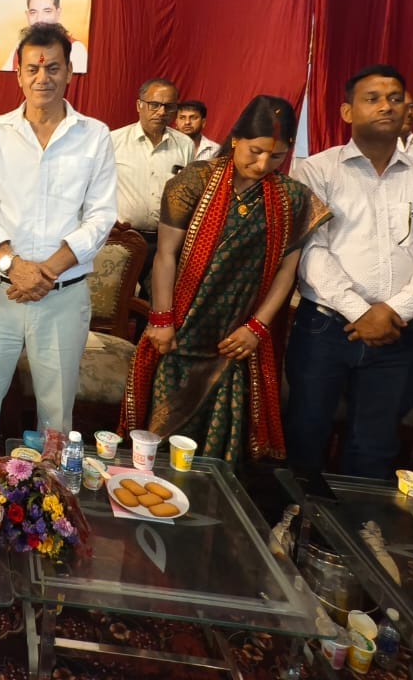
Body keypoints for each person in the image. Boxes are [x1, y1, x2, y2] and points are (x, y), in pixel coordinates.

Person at [121, 96, 329, 463]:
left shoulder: (292, 199)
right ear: (236, 139)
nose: (263, 164)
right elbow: (165, 254)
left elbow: (287, 270)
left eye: (277, 156)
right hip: (181, 327)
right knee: (163, 425)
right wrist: (161, 318)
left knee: (223, 436)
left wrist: (257, 327)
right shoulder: (195, 181)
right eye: (255, 151)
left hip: (237, 337)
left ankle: (213, 492)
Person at [287, 65, 413, 479]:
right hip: (325, 328)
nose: (386, 106)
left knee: (375, 449)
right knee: (306, 435)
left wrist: (393, 311)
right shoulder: (317, 171)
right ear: (347, 111)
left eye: (395, 98)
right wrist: (360, 312)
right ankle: (295, 515)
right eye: (373, 98)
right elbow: (310, 250)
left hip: (396, 334)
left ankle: (359, 519)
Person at [0, 24, 117, 456]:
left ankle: (49, 492)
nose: (42, 77)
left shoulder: (94, 136)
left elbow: (101, 216)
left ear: (69, 72)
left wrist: (45, 272)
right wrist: (14, 265)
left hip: (62, 295)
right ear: (18, 73)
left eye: (53, 68)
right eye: (33, 68)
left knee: (56, 414)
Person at [111, 78, 195, 292]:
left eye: (169, 106)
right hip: (121, 240)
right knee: (116, 300)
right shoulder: (113, 141)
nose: (161, 112)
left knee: (157, 300)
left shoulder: (184, 145)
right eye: (154, 105)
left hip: (166, 243)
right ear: (139, 105)